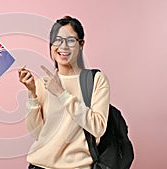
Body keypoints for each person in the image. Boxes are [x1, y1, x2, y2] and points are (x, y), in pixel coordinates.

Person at [18, 16, 110, 169]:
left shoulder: (95, 80)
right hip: (39, 165)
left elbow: (97, 127)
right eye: (58, 40)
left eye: (71, 40)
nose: (63, 46)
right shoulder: (43, 83)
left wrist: (61, 93)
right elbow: (37, 133)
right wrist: (32, 93)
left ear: (81, 44)